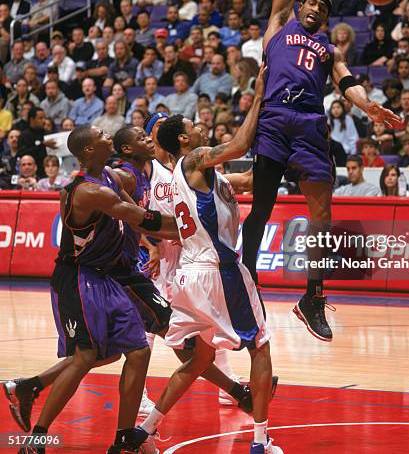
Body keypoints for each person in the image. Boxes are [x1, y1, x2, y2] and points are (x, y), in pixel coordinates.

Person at [240, 0, 399, 342]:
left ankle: (312, 296)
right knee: (261, 206)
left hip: (310, 124)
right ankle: (247, 276)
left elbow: (348, 84)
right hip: (275, 118)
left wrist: (369, 107)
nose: (316, 8)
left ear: (326, 20)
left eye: (323, 7)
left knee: (322, 216)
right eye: (311, 2)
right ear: (299, 7)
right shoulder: (277, 27)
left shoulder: (330, 50)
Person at [3, 124, 180, 453]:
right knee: (84, 356)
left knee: (139, 351)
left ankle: (124, 438)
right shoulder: (86, 191)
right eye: (101, 136)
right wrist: (191, 226)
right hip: (77, 279)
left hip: (107, 277)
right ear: (87, 151)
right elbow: (142, 218)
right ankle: (36, 437)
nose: (107, 137)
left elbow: (140, 212)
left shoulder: (112, 178)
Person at [133, 68, 282, 454]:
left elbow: (247, 178)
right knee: (260, 348)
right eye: (195, 125)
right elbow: (240, 142)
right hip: (219, 271)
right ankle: (260, 442)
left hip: (189, 276)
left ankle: (144, 431)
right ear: (185, 140)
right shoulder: (196, 159)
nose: (201, 127)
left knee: (198, 358)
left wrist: (286, 158)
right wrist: (260, 95)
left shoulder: (202, 175)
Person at [142, 112, 254, 413]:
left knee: (201, 336)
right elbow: (135, 214)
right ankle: (141, 395)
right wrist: (151, 244)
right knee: (160, 329)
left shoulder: (196, 170)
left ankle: (229, 386)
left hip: (193, 258)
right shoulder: (154, 168)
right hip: (175, 260)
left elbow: (244, 180)